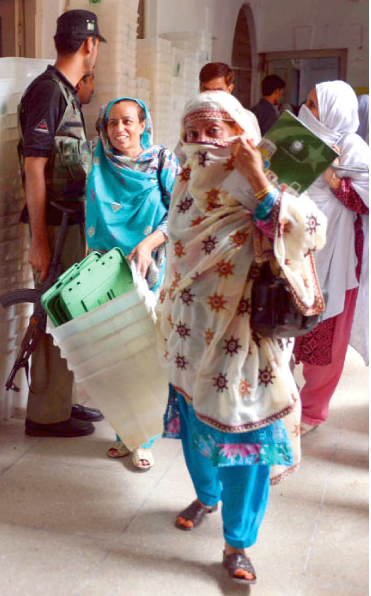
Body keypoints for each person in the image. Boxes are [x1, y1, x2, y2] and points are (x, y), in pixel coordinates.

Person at [155, 91, 327, 584]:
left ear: (243, 136)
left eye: (215, 131)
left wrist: (256, 180)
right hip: (190, 335)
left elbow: (310, 229)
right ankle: (207, 497)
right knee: (195, 427)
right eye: (193, 133)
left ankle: (238, 541)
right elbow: (180, 246)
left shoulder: (264, 180)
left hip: (243, 337)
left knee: (242, 435)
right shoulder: (185, 182)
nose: (202, 143)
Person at [17, 9, 106, 438]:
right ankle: (44, 416)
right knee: (53, 315)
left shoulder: (65, 92)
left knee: (67, 317)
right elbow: (34, 168)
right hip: (53, 224)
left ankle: (60, 402)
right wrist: (39, 240)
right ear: (89, 45)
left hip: (70, 222)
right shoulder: (48, 92)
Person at [84, 97, 180, 469]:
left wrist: (148, 243)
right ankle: (125, 433)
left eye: (127, 122)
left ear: (143, 124)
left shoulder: (162, 161)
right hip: (105, 271)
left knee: (146, 355)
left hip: (149, 270)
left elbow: (181, 213)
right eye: (111, 123)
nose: (119, 130)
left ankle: (145, 439)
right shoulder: (99, 161)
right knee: (115, 357)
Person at [291, 80, 370, 435]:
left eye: (316, 104)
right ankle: (282, 398)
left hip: (335, 257)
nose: (308, 109)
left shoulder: (353, 147)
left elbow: (370, 199)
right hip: (294, 250)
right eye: (306, 102)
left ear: (336, 108)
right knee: (285, 326)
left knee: (326, 337)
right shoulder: (294, 135)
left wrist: (331, 175)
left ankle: (312, 411)